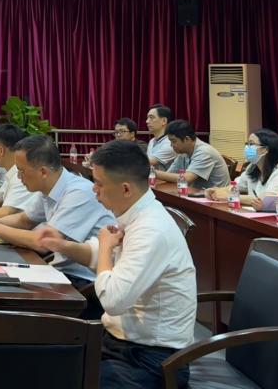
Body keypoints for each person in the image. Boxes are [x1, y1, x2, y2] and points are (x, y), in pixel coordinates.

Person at [38, 141, 196, 389]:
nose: (94, 190)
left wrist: (104, 246)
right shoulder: (133, 213)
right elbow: (97, 254)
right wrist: (62, 245)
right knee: (41, 362)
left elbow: (113, 301)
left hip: (152, 360)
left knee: (63, 379)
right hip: (117, 342)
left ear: (125, 189)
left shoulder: (151, 230)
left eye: (99, 184)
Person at [0, 135, 115, 287]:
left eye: (22, 171)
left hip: (83, 280)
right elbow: (24, 220)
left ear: (43, 172)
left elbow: (42, 243)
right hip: (59, 271)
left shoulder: (79, 192)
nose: (19, 177)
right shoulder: (49, 186)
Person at [206, 128, 278, 207]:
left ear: (265, 149)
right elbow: (235, 186)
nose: (247, 147)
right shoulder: (252, 167)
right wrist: (216, 191)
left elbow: (265, 201)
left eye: (251, 144)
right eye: (247, 144)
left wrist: (229, 197)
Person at [153, 120, 231, 190]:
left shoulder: (204, 152)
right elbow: (169, 175)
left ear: (187, 139)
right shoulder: (183, 152)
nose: (171, 145)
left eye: (174, 141)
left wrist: (153, 172)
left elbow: (186, 179)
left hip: (216, 198)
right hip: (196, 195)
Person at [145, 105, 175, 169]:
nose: (147, 121)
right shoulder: (152, 141)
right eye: (147, 118)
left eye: (151, 117)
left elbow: (147, 162)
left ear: (164, 121)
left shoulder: (170, 143)